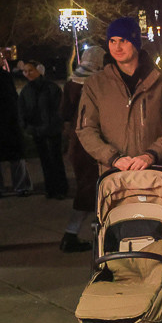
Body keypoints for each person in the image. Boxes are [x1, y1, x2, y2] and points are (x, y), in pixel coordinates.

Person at [76, 17, 162, 174]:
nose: (117, 47)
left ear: (135, 43)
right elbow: (86, 128)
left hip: (155, 173)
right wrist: (113, 158)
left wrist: (152, 154)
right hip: (115, 175)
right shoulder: (95, 84)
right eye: (112, 41)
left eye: (123, 40)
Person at [58, 46, 103, 252]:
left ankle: (81, 232)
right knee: (93, 187)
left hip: (77, 141)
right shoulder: (100, 82)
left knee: (88, 186)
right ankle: (73, 233)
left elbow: (64, 112)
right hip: (94, 140)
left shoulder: (71, 83)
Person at [0, 48, 32, 198]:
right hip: (0, 122)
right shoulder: (3, 77)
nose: (2, 58)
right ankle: (19, 186)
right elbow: (12, 98)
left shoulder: (4, 76)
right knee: (4, 156)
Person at [18, 61, 66, 199]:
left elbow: (58, 109)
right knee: (45, 160)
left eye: (30, 70)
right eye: (25, 71)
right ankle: (50, 188)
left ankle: (60, 189)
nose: (27, 74)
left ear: (39, 71)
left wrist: (53, 125)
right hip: (36, 131)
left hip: (52, 130)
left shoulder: (51, 88)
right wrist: (27, 127)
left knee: (55, 159)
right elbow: (22, 110)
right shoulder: (26, 91)